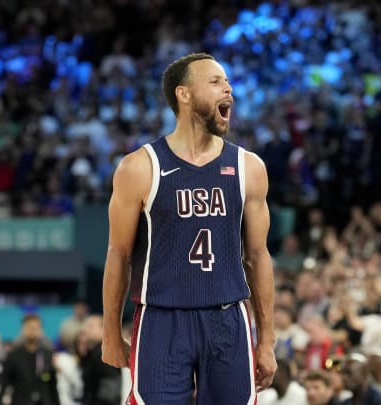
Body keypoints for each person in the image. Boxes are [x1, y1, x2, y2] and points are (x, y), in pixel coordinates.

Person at [101, 52, 277, 404]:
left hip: (227, 318)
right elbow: (118, 255)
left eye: (228, 83)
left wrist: (267, 340)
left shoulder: (249, 168)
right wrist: (109, 331)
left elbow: (258, 257)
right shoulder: (139, 168)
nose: (228, 90)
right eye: (215, 82)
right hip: (161, 320)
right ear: (184, 94)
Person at [0, 314, 60, 405]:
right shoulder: (13, 356)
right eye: (30, 327)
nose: (33, 331)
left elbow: (53, 385)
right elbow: (4, 384)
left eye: (36, 328)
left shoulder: (48, 354)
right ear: (23, 330)